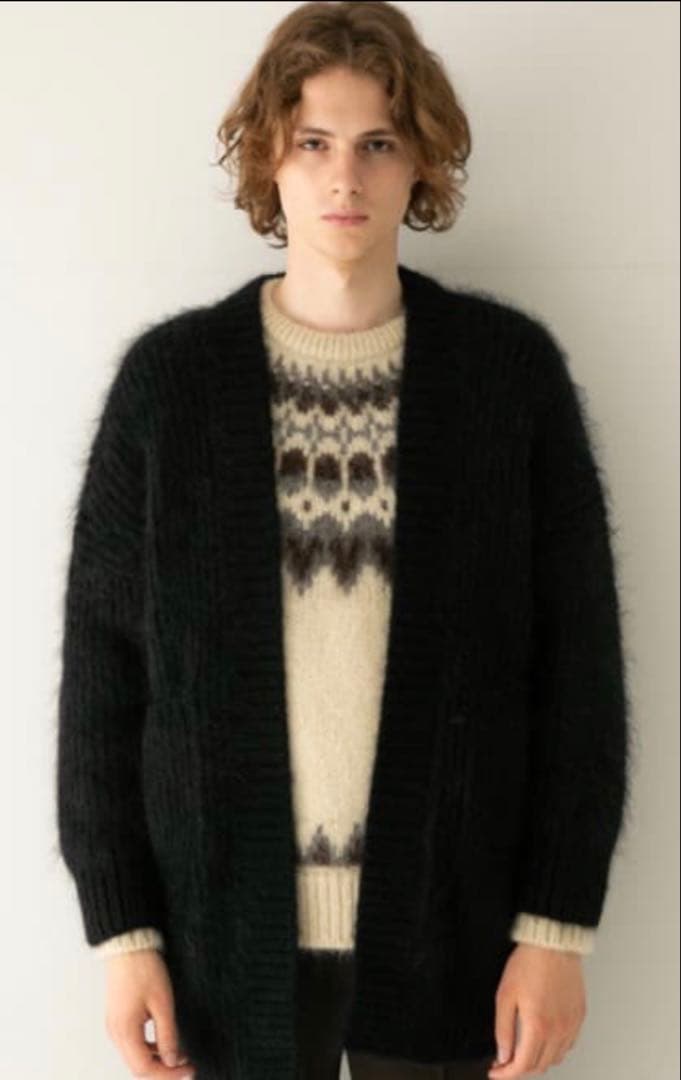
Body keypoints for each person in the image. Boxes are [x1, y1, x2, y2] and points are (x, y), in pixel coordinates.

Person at [55, 3, 632, 1079]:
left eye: (378, 143)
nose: (344, 178)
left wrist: (556, 928)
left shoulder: (506, 381)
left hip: (453, 948)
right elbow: (102, 681)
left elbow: (580, 674)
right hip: (222, 954)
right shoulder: (170, 392)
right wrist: (124, 937)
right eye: (313, 142)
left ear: (421, 163)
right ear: (268, 160)